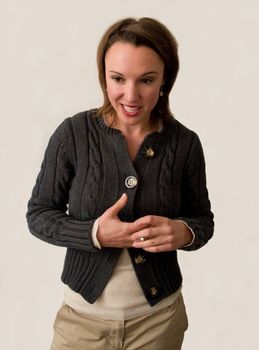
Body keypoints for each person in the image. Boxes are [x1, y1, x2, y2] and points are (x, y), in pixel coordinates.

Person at [26, 17, 214, 350]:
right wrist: (94, 234)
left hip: (159, 323)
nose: (131, 94)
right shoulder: (73, 134)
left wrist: (183, 232)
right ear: (104, 77)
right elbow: (39, 214)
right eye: (117, 78)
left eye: (146, 80)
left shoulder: (185, 144)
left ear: (164, 80)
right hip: (81, 323)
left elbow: (203, 220)